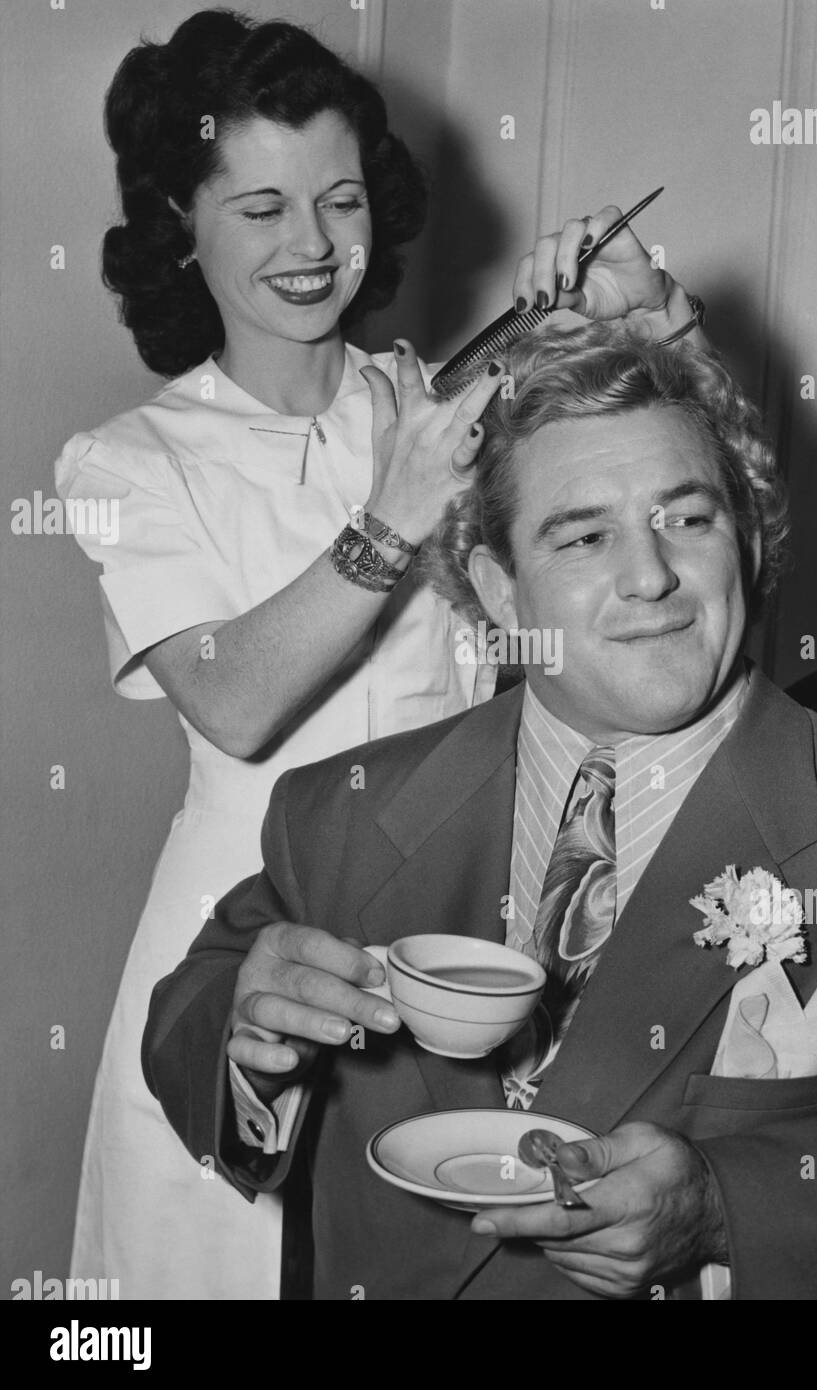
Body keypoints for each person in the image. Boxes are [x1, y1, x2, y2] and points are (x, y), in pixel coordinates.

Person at [142, 320, 817, 1299]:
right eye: (584, 535)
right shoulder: (341, 814)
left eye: (689, 519)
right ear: (499, 592)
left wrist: (725, 1206)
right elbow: (198, 1007)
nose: (649, 576)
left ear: (751, 538)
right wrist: (245, 1035)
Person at [56, 11, 701, 1299]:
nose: (311, 247)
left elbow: (662, 545)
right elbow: (236, 700)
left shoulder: (440, 396)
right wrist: (393, 514)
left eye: (340, 201)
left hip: (452, 952)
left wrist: (653, 323)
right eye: (259, 208)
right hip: (238, 969)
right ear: (179, 222)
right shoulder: (129, 462)